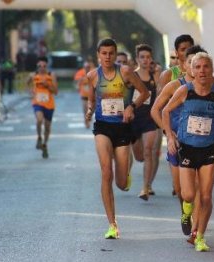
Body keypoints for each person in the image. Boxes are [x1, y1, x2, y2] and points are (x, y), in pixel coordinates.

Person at [162, 52, 214, 252]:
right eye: (198, 67)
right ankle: (186, 211)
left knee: (205, 196)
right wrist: (170, 136)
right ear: (192, 71)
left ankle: (200, 236)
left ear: (212, 70)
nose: (202, 70)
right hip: (187, 148)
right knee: (187, 194)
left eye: (206, 67)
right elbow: (165, 111)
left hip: (209, 149)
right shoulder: (185, 90)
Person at [85, 38, 149, 239]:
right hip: (102, 127)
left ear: (115, 54)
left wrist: (131, 106)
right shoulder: (93, 76)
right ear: (98, 55)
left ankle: (126, 173)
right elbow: (92, 99)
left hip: (122, 128)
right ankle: (112, 224)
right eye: (103, 53)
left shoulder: (126, 72)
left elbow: (145, 92)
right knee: (106, 172)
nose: (107, 57)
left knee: (121, 183)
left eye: (111, 53)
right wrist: (89, 111)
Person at [151, 45, 206, 240]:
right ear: (184, 65)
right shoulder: (175, 86)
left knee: (200, 188)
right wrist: (169, 134)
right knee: (183, 191)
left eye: (199, 64)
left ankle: (196, 232)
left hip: (201, 143)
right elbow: (155, 110)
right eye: (191, 63)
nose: (195, 67)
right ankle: (186, 213)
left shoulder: (212, 87)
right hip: (178, 144)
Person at [130, 44, 161, 200]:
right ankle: (145, 184)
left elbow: (161, 93)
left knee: (149, 152)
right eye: (142, 57)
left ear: (151, 59)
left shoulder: (155, 77)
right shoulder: (131, 76)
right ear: (137, 59)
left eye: (148, 57)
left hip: (149, 119)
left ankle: (145, 188)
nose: (145, 60)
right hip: (134, 120)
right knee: (139, 157)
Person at [27, 56, 58, 158]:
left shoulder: (51, 75)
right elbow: (27, 83)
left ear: (47, 66)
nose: (42, 67)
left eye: (44, 65)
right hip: (37, 103)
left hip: (49, 104)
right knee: (39, 120)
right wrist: (30, 91)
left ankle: (44, 144)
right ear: (37, 66)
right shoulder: (33, 75)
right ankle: (39, 138)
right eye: (39, 65)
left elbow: (56, 92)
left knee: (48, 127)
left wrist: (48, 85)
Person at [74, 60, 96, 128]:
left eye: (88, 67)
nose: (87, 68)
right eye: (86, 67)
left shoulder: (94, 72)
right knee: (85, 109)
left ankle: (89, 117)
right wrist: (78, 84)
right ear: (84, 67)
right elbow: (76, 83)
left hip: (93, 96)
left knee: (91, 109)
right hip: (84, 95)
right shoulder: (80, 73)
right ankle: (86, 121)